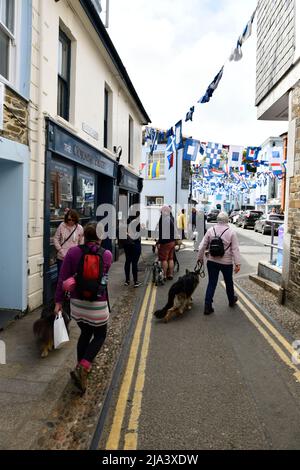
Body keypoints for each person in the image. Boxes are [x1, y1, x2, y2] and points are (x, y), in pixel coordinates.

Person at [55, 222, 112, 393]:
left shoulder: (72, 252)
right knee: (100, 334)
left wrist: (58, 302)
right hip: (98, 304)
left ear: (83, 236)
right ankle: (84, 366)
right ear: (100, 237)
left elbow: (62, 280)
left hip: (77, 305)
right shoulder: (107, 255)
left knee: (85, 332)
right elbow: (103, 278)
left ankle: (81, 367)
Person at [197, 212, 241, 315]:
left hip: (212, 261)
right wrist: (237, 264)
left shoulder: (210, 230)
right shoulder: (231, 232)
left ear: (217, 220)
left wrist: (200, 258)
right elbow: (235, 249)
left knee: (212, 283)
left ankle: (207, 306)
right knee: (228, 282)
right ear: (227, 220)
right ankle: (231, 301)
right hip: (227, 263)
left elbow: (202, 246)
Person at [53, 209, 84, 277]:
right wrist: (61, 250)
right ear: (66, 218)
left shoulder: (79, 228)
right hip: (62, 257)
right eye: (69, 219)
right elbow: (55, 239)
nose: (71, 221)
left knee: (72, 279)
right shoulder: (62, 226)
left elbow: (81, 243)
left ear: (76, 220)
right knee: (61, 277)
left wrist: (78, 254)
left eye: (73, 220)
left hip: (74, 258)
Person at [157, 205, 176, 281]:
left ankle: (164, 275)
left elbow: (161, 233)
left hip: (165, 242)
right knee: (171, 258)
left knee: (164, 259)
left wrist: (159, 242)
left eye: (161, 211)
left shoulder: (163, 218)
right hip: (172, 241)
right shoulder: (171, 218)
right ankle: (170, 274)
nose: (160, 212)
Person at [123, 212, 142, 288]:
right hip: (135, 244)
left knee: (127, 261)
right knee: (134, 263)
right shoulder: (137, 223)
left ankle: (127, 281)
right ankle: (136, 282)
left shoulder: (127, 221)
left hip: (127, 244)